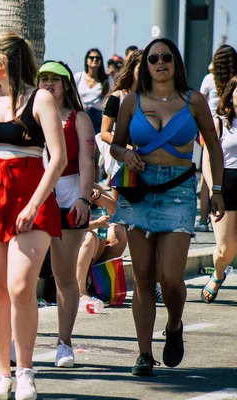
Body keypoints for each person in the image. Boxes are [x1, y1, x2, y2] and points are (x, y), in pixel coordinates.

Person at [110, 38, 225, 376]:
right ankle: (144, 354)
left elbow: (213, 148)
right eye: (153, 58)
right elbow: (115, 145)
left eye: (167, 57)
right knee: (143, 277)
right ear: (144, 66)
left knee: (170, 277)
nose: (160, 62)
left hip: (179, 189)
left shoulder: (195, 101)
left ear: (176, 63)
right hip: (139, 191)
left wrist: (216, 189)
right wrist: (126, 154)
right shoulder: (131, 101)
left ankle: (174, 324)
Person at [0, 31, 67, 400]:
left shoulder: (41, 100)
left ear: (2, 63)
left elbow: (58, 158)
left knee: (21, 287)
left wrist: (35, 203)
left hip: (30, 194)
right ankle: (1, 374)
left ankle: (25, 371)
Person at [37, 60, 94, 368]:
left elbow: (87, 162)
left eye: (54, 79)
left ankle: (64, 343)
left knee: (63, 276)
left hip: (69, 198)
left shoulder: (79, 118)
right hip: (35, 197)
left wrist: (84, 198)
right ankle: (17, 340)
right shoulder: (31, 117)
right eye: (43, 79)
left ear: (66, 85)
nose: (48, 84)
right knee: (23, 275)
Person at [201, 76, 237, 303]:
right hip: (225, 184)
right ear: (231, 95)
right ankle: (218, 273)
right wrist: (214, 189)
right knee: (225, 249)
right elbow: (207, 158)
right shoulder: (220, 121)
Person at [196, 45, 237, 232]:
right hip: (228, 126)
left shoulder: (208, 79)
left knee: (207, 177)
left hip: (210, 127)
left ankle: (205, 218)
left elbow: (200, 102)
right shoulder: (235, 79)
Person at [98, 50, 143, 191]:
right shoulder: (118, 97)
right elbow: (104, 133)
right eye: (141, 69)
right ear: (131, 69)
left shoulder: (155, 99)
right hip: (124, 159)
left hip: (149, 161)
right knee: (122, 206)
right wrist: (127, 149)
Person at [76, 184, 127, 300]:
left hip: (82, 231)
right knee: (91, 236)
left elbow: (116, 211)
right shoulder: (61, 185)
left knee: (117, 233)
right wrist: (95, 224)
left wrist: (99, 197)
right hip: (65, 238)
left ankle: (95, 283)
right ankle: (80, 291)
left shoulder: (88, 183)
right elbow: (65, 227)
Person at [74, 48, 113, 134]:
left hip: (98, 116)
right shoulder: (78, 77)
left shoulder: (107, 80)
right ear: (86, 60)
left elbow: (111, 97)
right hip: (81, 114)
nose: (94, 60)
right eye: (91, 58)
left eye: (97, 58)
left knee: (96, 142)